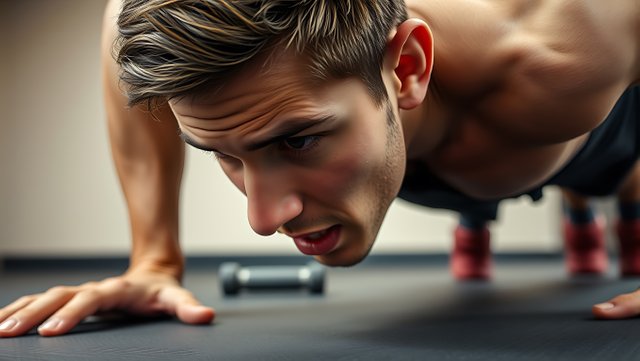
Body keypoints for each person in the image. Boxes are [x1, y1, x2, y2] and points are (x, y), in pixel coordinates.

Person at [1, 0, 639, 338]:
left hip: (588, 138)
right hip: (429, 153)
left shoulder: (564, 45)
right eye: (226, 153)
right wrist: (154, 261)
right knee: (476, 196)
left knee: (614, 180)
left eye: (298, 141)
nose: (261, 219)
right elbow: (123, 27)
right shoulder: (158, 43)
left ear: (408, 66)